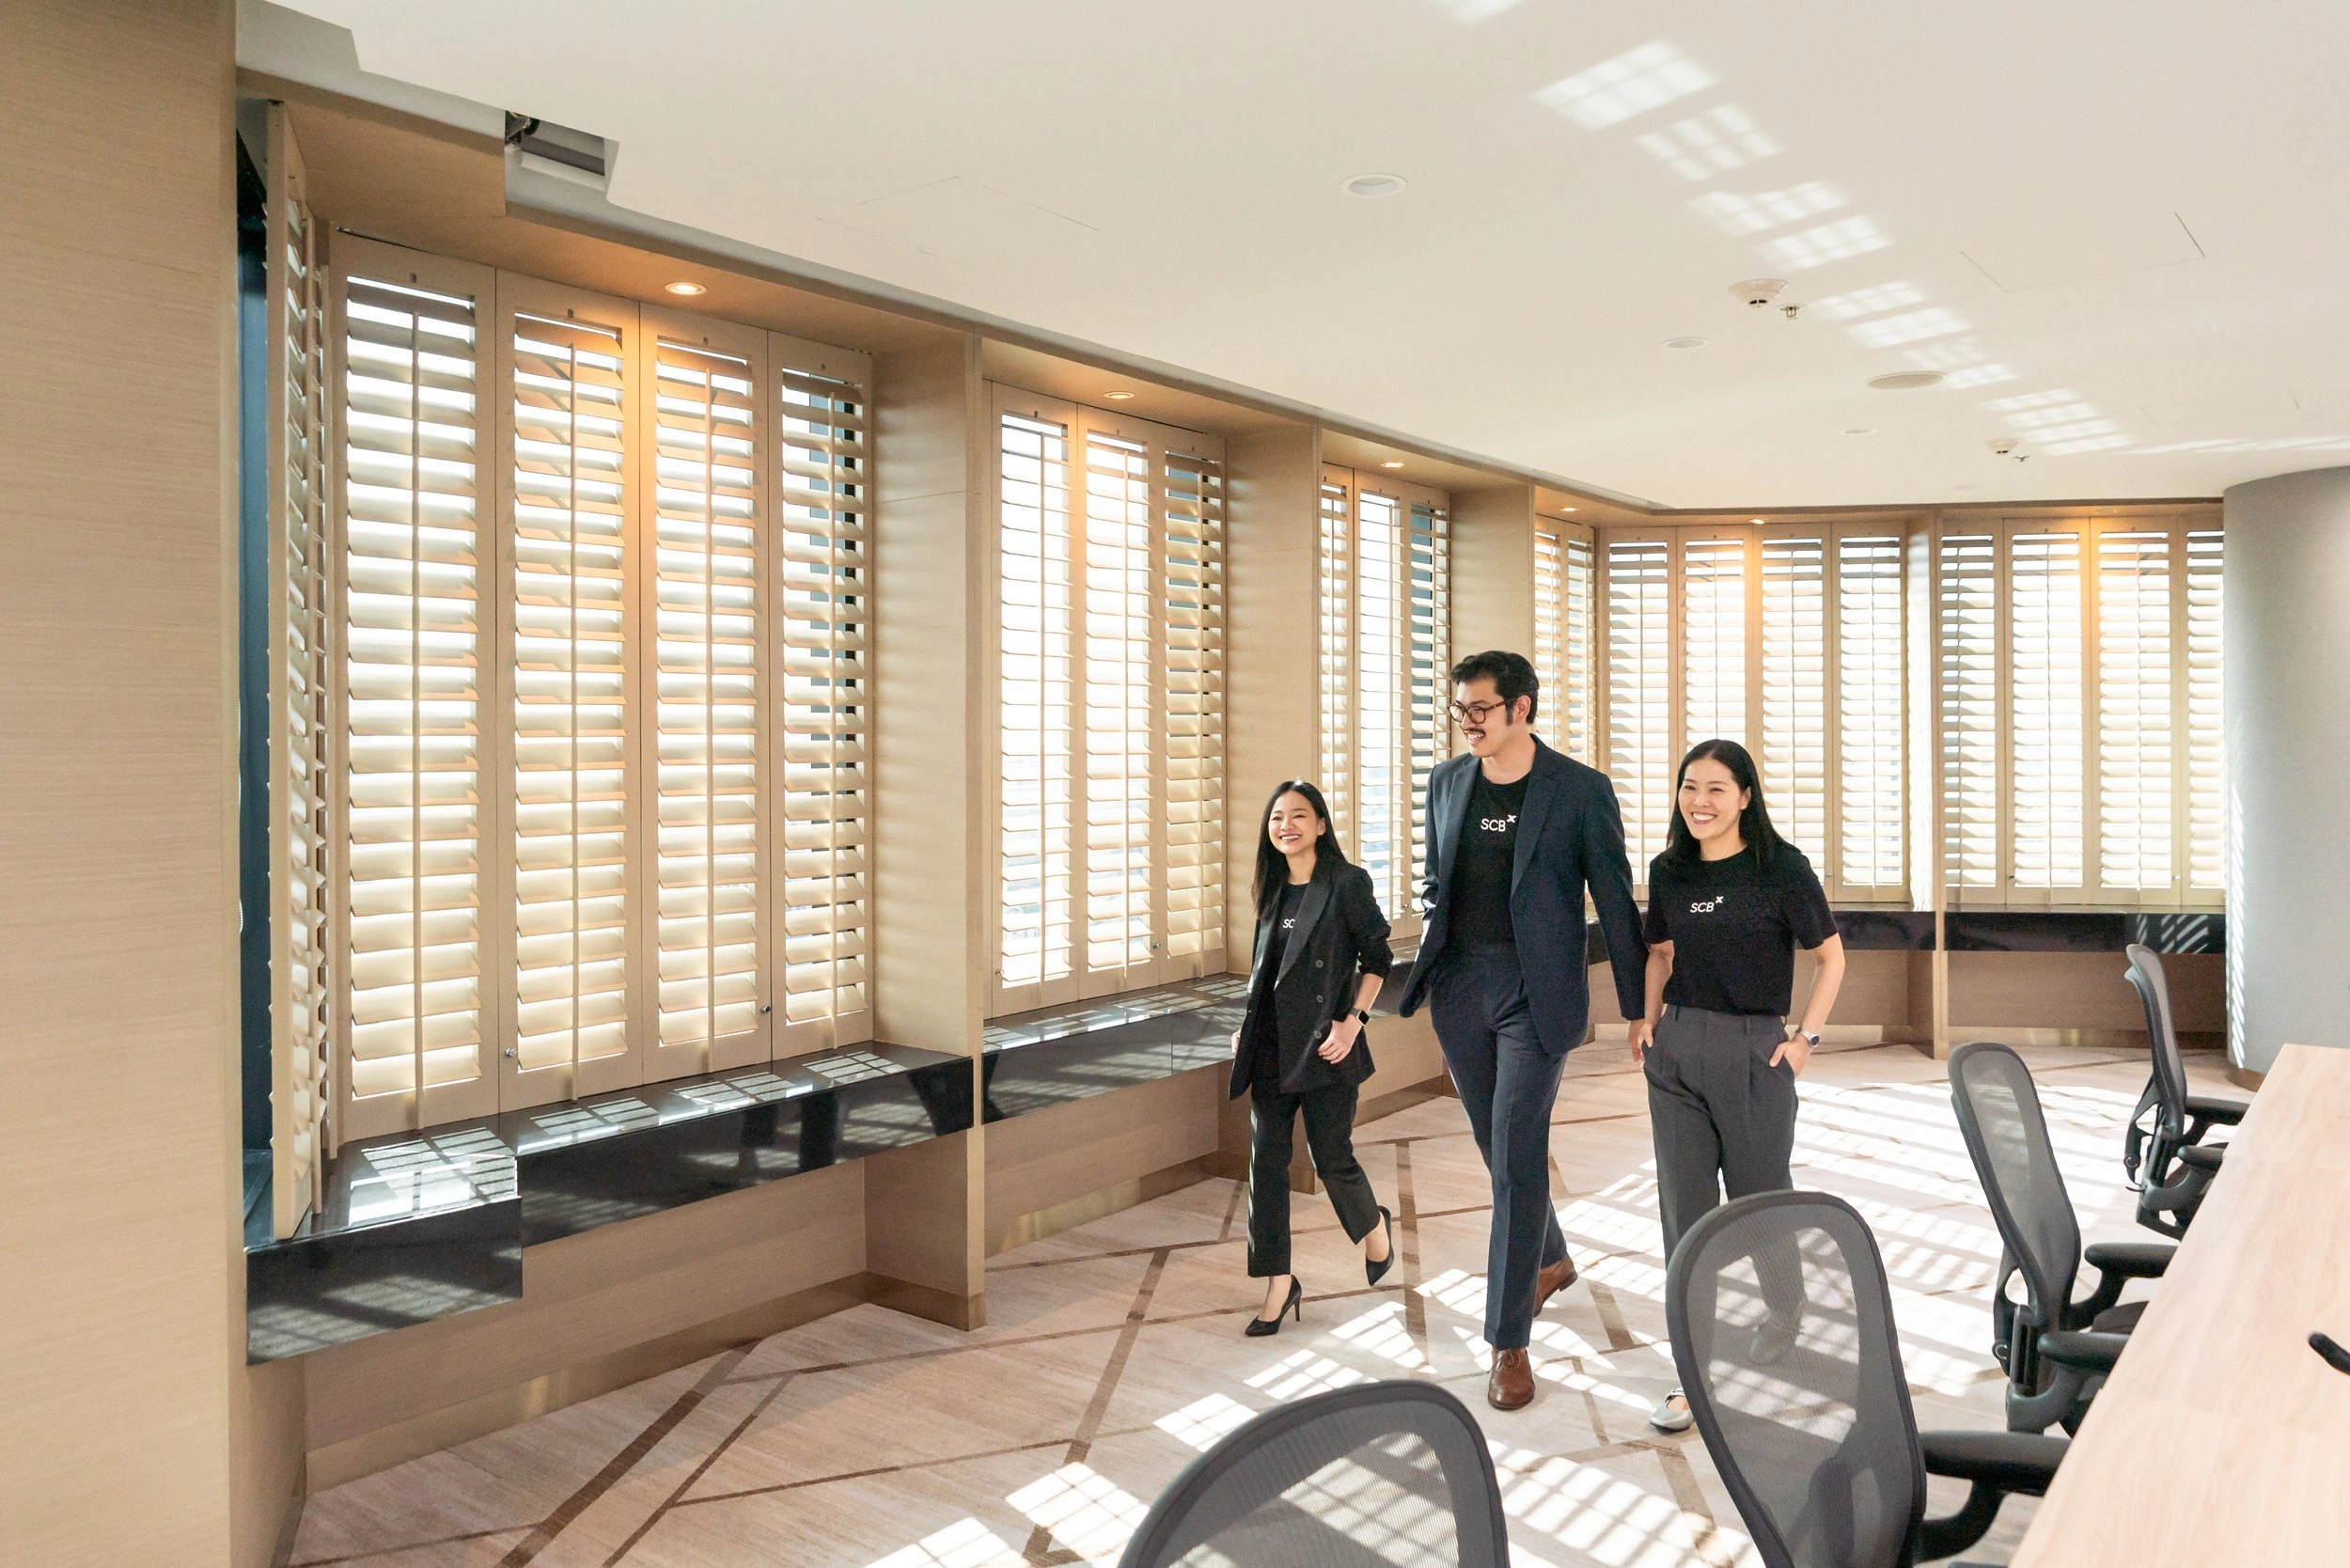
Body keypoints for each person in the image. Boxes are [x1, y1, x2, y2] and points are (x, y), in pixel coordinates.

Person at [1400, 651, 1647, 1409]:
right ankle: (1550, 1260)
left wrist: (1639, 1007)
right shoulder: (1447, 782)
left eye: (1480, 708)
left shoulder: (1578, 790)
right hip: (1460, 989)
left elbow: (1614, 900)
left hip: (1535, 996)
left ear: (1521, 708)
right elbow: (1437, 882)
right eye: (1459, 709)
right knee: (1500, 1147)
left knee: (1513, 1149)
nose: (1467, 722)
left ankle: (1508, 1342)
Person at [1630, 738, 1846, 1433]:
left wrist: (1805, 1040)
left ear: (1746, 797)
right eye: (1690, 786)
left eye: (1716, 788)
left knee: (1759, 1200)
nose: (1700, 801)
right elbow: (1661, 952)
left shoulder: (1780, 868)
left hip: (1756, 1049)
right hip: (1677, 1051)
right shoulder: (1669, 870)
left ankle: (1785, 1307)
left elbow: (1831, 957)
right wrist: (1647, 1021)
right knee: (1684, 1213)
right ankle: (1691, 1368)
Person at [1229, 780, 1398, 1335]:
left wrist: (1354, 1023)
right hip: (1271, 1048)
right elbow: (1265, 975)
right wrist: (1245, 1027)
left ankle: (1375, 1228)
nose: (1287, 826)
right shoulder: (1271, 886)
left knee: (1331, 1158)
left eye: (1299, 815)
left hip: (1326, 1045)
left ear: (1321, 825)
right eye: (1277, 817)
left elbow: (1378, 959)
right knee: (1266, 1167)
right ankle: (1279, 1283)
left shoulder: (1346, 883)